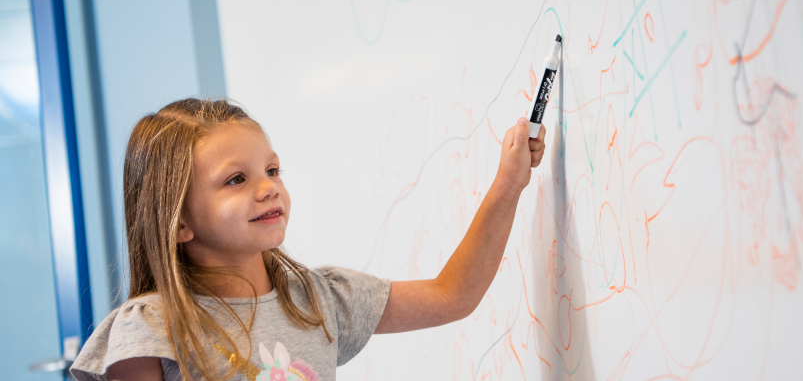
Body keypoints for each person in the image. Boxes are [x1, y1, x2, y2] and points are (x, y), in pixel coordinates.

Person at [69, 98, 546, 381]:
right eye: (236, 179)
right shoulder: (150, 327)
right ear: (178, 223)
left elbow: (452, 295)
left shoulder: (320, 300)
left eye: (272, 170)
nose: (268, 186)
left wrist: (509, 184)